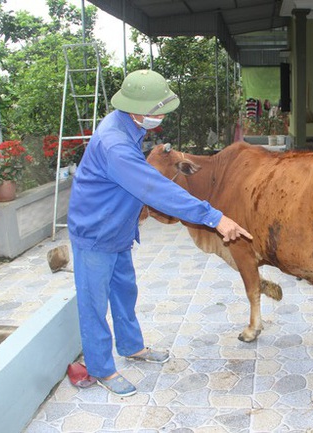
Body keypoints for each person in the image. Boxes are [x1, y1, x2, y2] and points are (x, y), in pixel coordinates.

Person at [67, 69, 252, 397]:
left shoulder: (128, 124)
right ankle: (101, 368)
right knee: (94, 303)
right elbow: (155, 188)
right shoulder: (114, 144)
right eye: (157, 110)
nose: (162, 115)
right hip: (95, 230)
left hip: (118, 227)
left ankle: (131, 346)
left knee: (124, 290)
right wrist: (215, 217)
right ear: (136, 109)